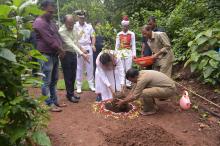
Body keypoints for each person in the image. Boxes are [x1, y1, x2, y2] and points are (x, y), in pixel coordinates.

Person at [33, 0, 65, 112]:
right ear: (42, 9)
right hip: (45, 55)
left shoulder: (51, 22)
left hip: (54, 54)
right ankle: (48, 104)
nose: (52, 14)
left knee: (54, 79)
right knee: (46, 80)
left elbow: (57, 36)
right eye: (50, 12)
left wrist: (62, 47)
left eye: (53, 12)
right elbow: (49, 39)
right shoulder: (39, 22)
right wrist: (61, 49)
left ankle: (54, 101)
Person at [59, 15, 89, 103]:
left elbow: (76, 41)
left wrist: (82, 48)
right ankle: (69, 95)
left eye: (72, 23)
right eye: (69, 23)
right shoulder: (61, 31)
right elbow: (71, 43)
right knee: (68, 75)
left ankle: (71, 93)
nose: (72, 25)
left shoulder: (74, 28)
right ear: (65, 23)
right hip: (65, 54)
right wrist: (82, 53)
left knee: (73, 75)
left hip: (73, 54)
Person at [74, 10, 96, 94]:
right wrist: (80, 48)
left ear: (84, 17)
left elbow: (93, 36)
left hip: (88, 47)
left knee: (90, 67)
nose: (82, 19)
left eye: (83, 18)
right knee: (79, 67)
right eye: (80, 18)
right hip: (79, 47)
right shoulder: (75, 26)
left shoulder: (89, 26)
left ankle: (91, 85)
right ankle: (78, 86)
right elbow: (74, 39)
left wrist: (93, 44)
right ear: (77, 17)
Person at [115, 15, 136, 88]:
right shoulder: (119, 34)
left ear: (128, 26)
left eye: (126, 26)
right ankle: (122, 82)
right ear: (122, 26)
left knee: (128, 68)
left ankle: (128, 83)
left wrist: (134, 54)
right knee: (121, 68)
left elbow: (133, 45)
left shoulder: (132, 34)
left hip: (128, 52)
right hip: (121, 53)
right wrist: (115, 54)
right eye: (124, 26)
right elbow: (117, 45)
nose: (125, 27)